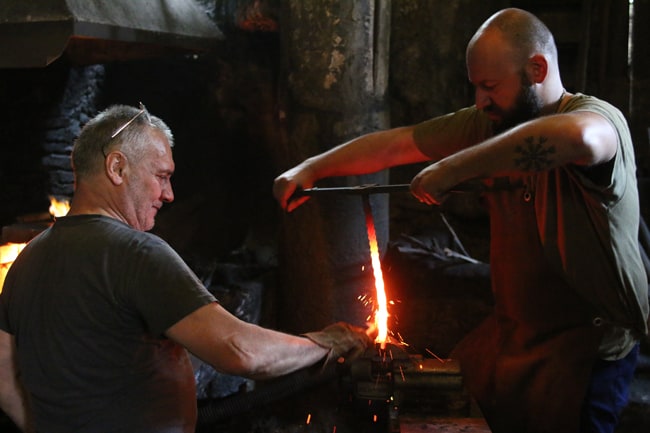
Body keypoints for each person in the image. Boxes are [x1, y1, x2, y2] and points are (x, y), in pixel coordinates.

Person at [273, 7, 648, 433]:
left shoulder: (599, 119)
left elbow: (577, 137)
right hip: (519, 333)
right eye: (476, 88)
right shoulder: (492, 122)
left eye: (490, 86)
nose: (480, 101)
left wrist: (453, 168)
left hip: (586, 349)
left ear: (537, 68)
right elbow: (396, 145)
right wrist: (312, 168)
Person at [0, 104, 372, 433]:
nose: (169, 193)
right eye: (161, 176)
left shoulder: (27, 258)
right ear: (117, 167)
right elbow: (239, 350)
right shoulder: (136, 253)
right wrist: (325, 343)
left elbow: (3, 373)